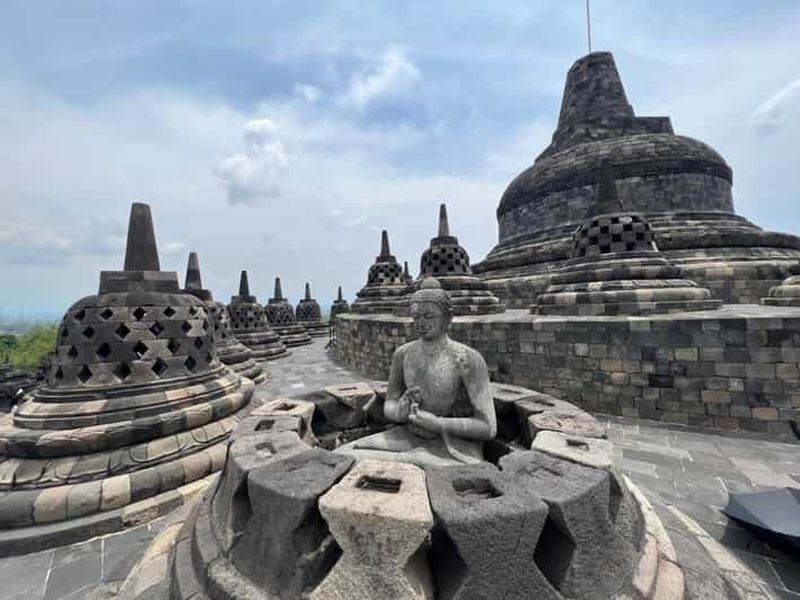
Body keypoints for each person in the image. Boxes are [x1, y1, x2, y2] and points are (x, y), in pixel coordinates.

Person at [336, 277, 496, 467]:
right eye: (417, 316)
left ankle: (410, 460)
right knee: (343, 453)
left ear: (448, 318)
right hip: (411, 434)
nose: (421, 322)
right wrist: (399, 411)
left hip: (454, 445)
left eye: (429, 316)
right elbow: (390, 404)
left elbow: (488, 427)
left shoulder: (467, 359)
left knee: (412, 461)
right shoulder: (403, 354)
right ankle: (410, 459)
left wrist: (438, 424)